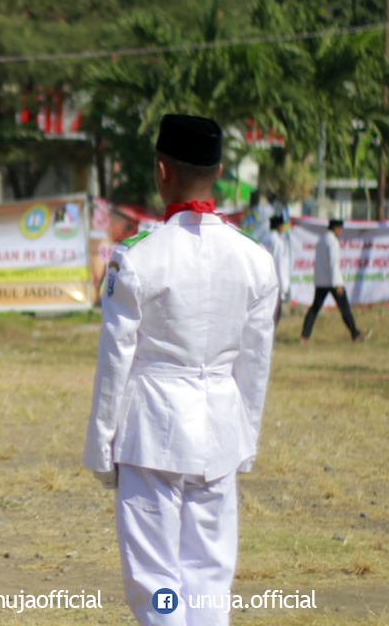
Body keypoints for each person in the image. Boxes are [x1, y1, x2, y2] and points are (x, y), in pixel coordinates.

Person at [82, 114, 278, 626]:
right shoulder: (255, 259)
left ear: (161, 170)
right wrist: (246, 440)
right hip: (220, 429)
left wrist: (102, 445)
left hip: (152, 430)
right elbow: (256, 363)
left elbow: (116, 355)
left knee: (156, 581)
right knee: (211, 576)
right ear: (217, 170)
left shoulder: (136, 258)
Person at [301, 219, 369, 343]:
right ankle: (355, 333)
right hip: (332, 280)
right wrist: (337, 284)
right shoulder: (332, 242)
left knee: (315, 308)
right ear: (336, 228)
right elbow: (333, 264)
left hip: (322, 280)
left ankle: (304, 336)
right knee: (344, 308)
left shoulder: (322, 240)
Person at [259, 215, 292, 327]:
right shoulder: (277, 241)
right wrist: (284, 286)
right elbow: (279, 264)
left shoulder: (264, 238)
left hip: (263, 278)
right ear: (280, 226)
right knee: (275, 313)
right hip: (275, 280)